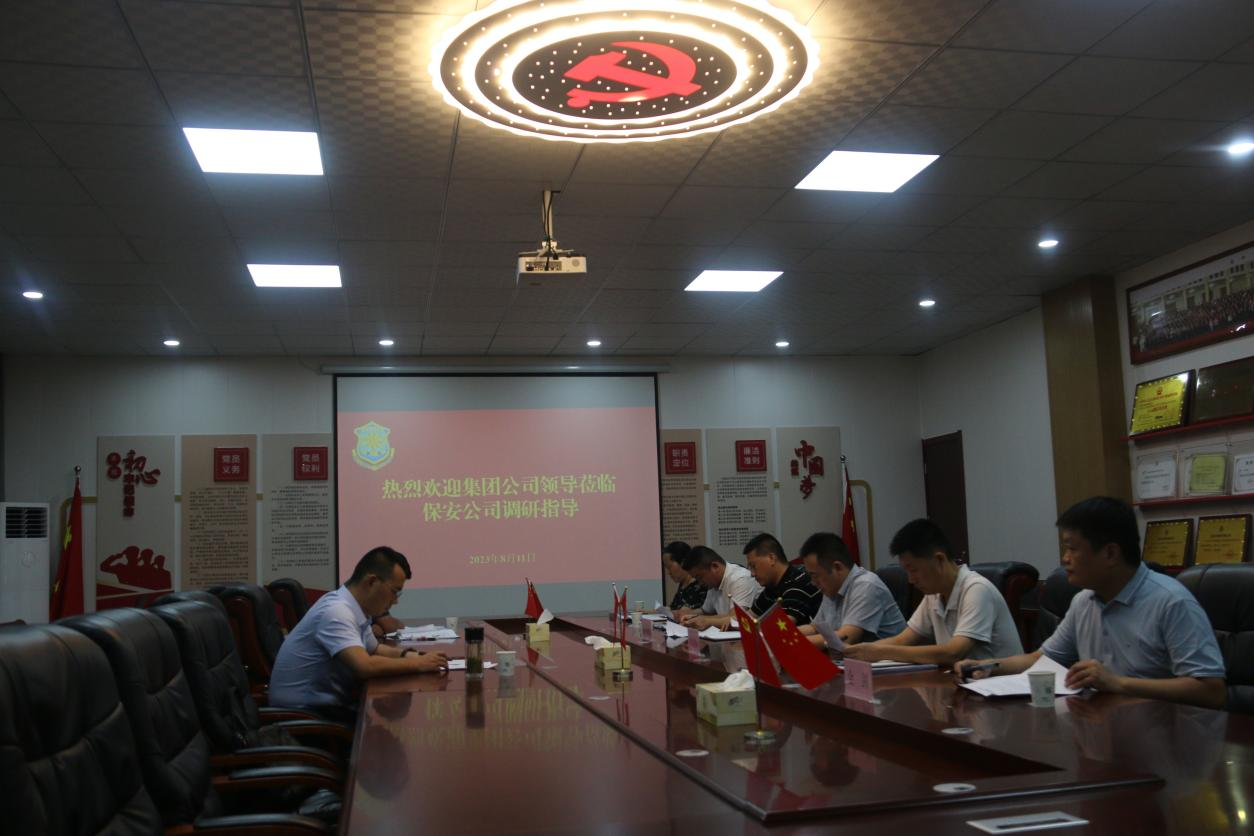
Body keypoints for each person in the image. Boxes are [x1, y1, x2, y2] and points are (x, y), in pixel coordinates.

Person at [956, 497, 1227, 709]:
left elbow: (1211, 691)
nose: (1065, 559)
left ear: (1110, 553)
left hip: (1166, 739)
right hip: (1106, 728)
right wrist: (988, 666)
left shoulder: (1171, 602)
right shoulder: (1084, 601)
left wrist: (1118, 683)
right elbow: (1042, 659)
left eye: (1072, 548)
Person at [270, 546, 447, 715]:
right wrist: (418, 664)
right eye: (394, 592)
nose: (395, 601)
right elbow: (365, 666)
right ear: (371, 581)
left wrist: (411, 656)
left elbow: (374, 649)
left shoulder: (354, 608)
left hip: (325, 706)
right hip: (306, 714)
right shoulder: (336, 612)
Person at [842, 519, 1022, 666]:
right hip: (964, 684)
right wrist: (857, 652)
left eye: (913, 570)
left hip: (1000, 692)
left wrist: (880, 652)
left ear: (939, 560)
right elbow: (902, 640)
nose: (911, 580)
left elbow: (953, 652)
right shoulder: (933, 595)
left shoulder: (976, 589)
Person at [797, 531, 906, 647]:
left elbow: (844, 638)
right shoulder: (832, 588)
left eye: (815, 576)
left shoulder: (866, 586)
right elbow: (815, 628)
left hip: (889, 657)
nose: (813, 583)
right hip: (855, 657)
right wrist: (788, 634)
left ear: (837, 567)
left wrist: (793, 641)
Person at [743, 533, 822, 625]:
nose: (752, 574)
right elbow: (749, 616)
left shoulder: (799, 582)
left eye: (754, 566)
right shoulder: (772, 586)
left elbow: (783, 626)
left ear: (771, 558)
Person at [678, 545, 762, 629]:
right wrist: (690, 614)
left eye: (700, 577)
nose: (700, 583)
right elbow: (706, 611)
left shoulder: (741, 578)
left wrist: (705, 620)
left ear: (715, 566)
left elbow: (735, 618)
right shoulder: (713, 583)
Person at [662, 541, 707, 612]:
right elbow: (673, 608)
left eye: (669, 567)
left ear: (683, 563)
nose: (668, 573)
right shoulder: (683, 584)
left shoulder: (701, 584)